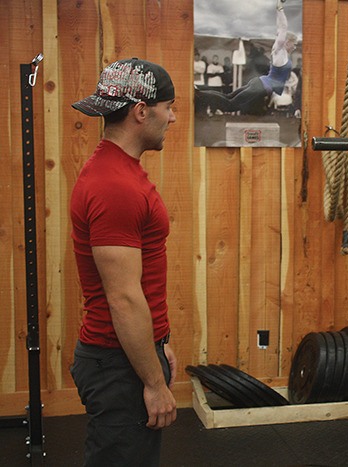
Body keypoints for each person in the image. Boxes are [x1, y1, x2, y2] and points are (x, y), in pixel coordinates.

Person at [69, 57, 178, 466]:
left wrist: (158, 343)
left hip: (129, 354)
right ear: (140, 111)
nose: (172, 117)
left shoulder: (119, 171)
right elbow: (123, 299)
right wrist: (152, 382)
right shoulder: (115, 186)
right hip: (118, 366)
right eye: (168, 107)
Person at [195, 0, 298, 116]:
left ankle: (199, 91)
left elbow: (280, 28)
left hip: (260, 83)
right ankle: (197, 93)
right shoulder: (280, 51)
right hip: (261, 86)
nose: (295, 47)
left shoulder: (283, 53)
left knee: (229, 97)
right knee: (230, 105)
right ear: (286, 42)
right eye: (294, 44)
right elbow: (283, 28)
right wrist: (280, 8)